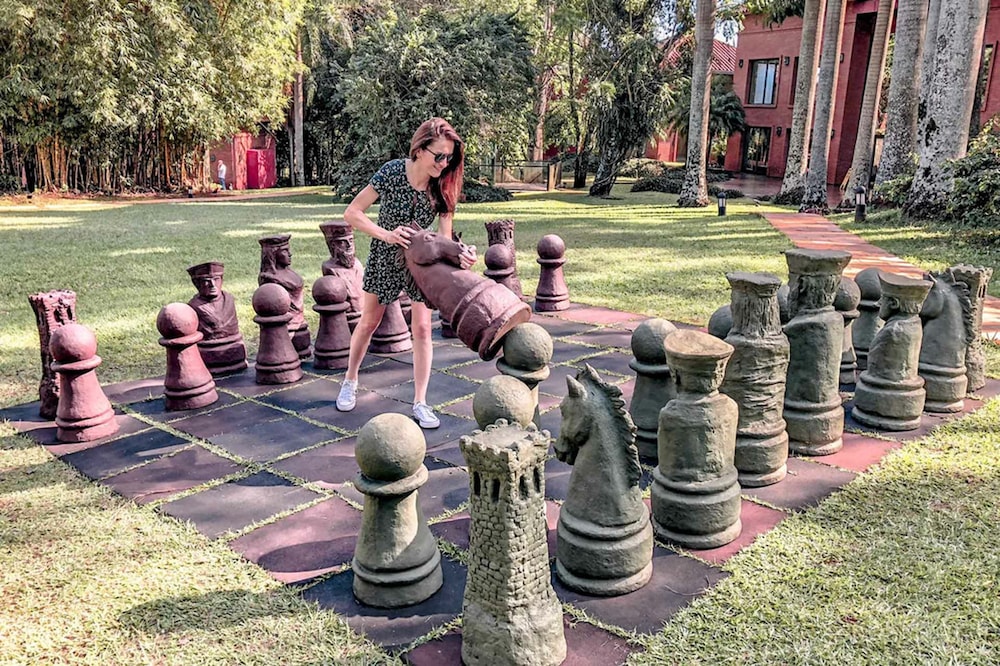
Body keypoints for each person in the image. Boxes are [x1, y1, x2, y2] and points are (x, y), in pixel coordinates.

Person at [336, 117, 476, 429]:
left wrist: (461, 254)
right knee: (369, 322)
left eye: (449, 157)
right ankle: (350, 380)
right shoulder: (392, 172)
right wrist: (386, 235)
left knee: (423, 329)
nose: (444, 163)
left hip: (421, 264)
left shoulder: (443, 185)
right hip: (384, 256)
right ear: (420, 150)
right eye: (439, 156)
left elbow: (444, 239)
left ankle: (421, 402)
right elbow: (352, 213)